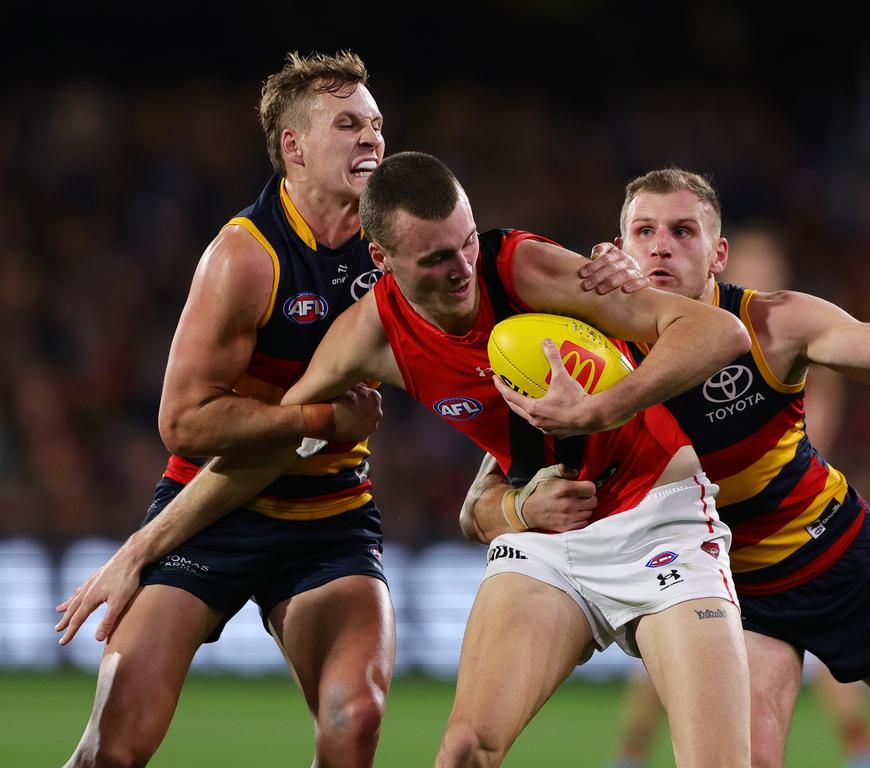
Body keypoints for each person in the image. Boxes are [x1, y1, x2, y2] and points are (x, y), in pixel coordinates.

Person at [86, 150, 753, 767]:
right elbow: (268, 454)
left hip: (660, 517)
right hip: (551, 541)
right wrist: (141, 548)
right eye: (435, 259)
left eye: (466, 242)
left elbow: (719, 330)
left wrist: (600, 408)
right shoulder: (367, 338)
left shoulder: (521, 267)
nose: (462, 269)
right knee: (463, 751)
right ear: (382, 258)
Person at [464, 168, 870, 768]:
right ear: (619, 250)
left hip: (835, 558)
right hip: (730, 592)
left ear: (718, 253)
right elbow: (478, 508)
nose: (661, 246)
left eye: (683, 231)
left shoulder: (773, 325)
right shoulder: (579, 350)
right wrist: (521, 509)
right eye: (644, 231)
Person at [55, 51, 395, 768]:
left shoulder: (397, 245)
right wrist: (319, 423)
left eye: (375, 124)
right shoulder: (246, 256)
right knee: (111, 749)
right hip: (206, 513)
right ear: (292, 146)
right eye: (348, 123)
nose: (371, 138)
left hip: (328, 520)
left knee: (354, 717)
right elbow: (184, 423)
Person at [603, 225, 870, 768]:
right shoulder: (697, 334)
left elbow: (807, 442)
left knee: (817, 637)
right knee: (676, 633)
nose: (759, 278)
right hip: (699, 513)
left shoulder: (793, 343)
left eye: (768, 269)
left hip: (777, 513)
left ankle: (861, 749)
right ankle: (631, 751)